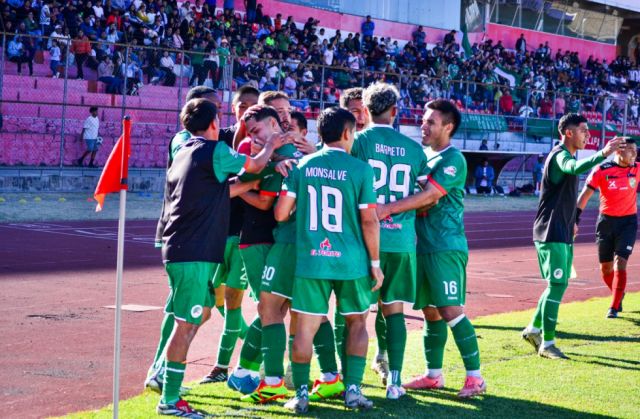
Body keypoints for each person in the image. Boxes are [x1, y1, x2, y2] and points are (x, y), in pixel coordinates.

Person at [155, 98, 285, 418]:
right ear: (214, 123)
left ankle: (168, 385)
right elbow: (253, 166)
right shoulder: (213, 150)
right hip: (193, 252)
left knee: (201, 315)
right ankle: (169, 399)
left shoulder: (185, 151)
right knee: (186, 324)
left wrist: (262, 174)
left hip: (183, 250)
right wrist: (272, 147)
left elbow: (232, 188)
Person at [275, 107, 384, 413]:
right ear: (347, 133)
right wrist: (375, 264)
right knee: (357, 322)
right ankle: (353, 391)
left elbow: (281, 214)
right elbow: (369, 221)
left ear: (320, 134)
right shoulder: (361, 169)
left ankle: (301, 394)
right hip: (351, 261)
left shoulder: (301, 166)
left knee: (304, 328)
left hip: (312, 260)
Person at [376, 99, 486, 398]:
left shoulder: (454, 159)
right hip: (421, 246)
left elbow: (429, 196)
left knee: (450, 309)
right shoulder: (423, 156)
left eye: (431, 122)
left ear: (448, 127)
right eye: (423, 120)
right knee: (430, 311)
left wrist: (387, 209)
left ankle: (475, 378)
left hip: (444, 245)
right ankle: (433, 375)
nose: (423, 126)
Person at [146, 86, 228, 394]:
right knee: (179, 311)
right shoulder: (188, 142)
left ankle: (163, 372)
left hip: (190, 234)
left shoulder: (205, 143)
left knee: (199, 309)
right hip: (186, 234)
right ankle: (161, 373)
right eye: (215, 108)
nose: (220, 114)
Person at [350, 82, 429, 399]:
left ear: (365, 110)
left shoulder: (358, 141)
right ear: (396, 111)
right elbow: (429, 194)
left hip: (361, 240)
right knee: (394, 310)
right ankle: (395, 383)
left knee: (355, 313)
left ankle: (350, 383)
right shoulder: (413, 148)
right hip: (400, 241)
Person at [522, 114, 623, 359]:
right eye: (583, 130)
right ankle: (547, 343)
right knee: (557, 284)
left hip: (562, 229)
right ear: (569, 133)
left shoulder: (567, 155)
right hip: (551, 231)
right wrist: (603, 153)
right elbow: (574, 168)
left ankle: (533, 329)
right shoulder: (560, 156)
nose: (587, 135)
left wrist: (572, 223)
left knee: (558, 283)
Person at [200, 85, 259, 386]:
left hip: (246, 234)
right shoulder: (218, 138)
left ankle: (222, 367)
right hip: (218, 232)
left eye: (252, 106)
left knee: (234, 300)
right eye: (242, 105)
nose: (246, 111)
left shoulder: (262, 144)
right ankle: (255, 344)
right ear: (232, 108)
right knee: (216, 299)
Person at [577, 138, 639, 318]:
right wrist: (575, 219)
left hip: (628, 223)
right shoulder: (601, 170)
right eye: (630, 150)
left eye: (635, 150)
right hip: (605, 222)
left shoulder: (637, 168)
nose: (634, 153)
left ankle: (613, 307)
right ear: (618, 151)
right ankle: (619, 293)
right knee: (606, 268)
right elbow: (585, 195)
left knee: (621, 261)